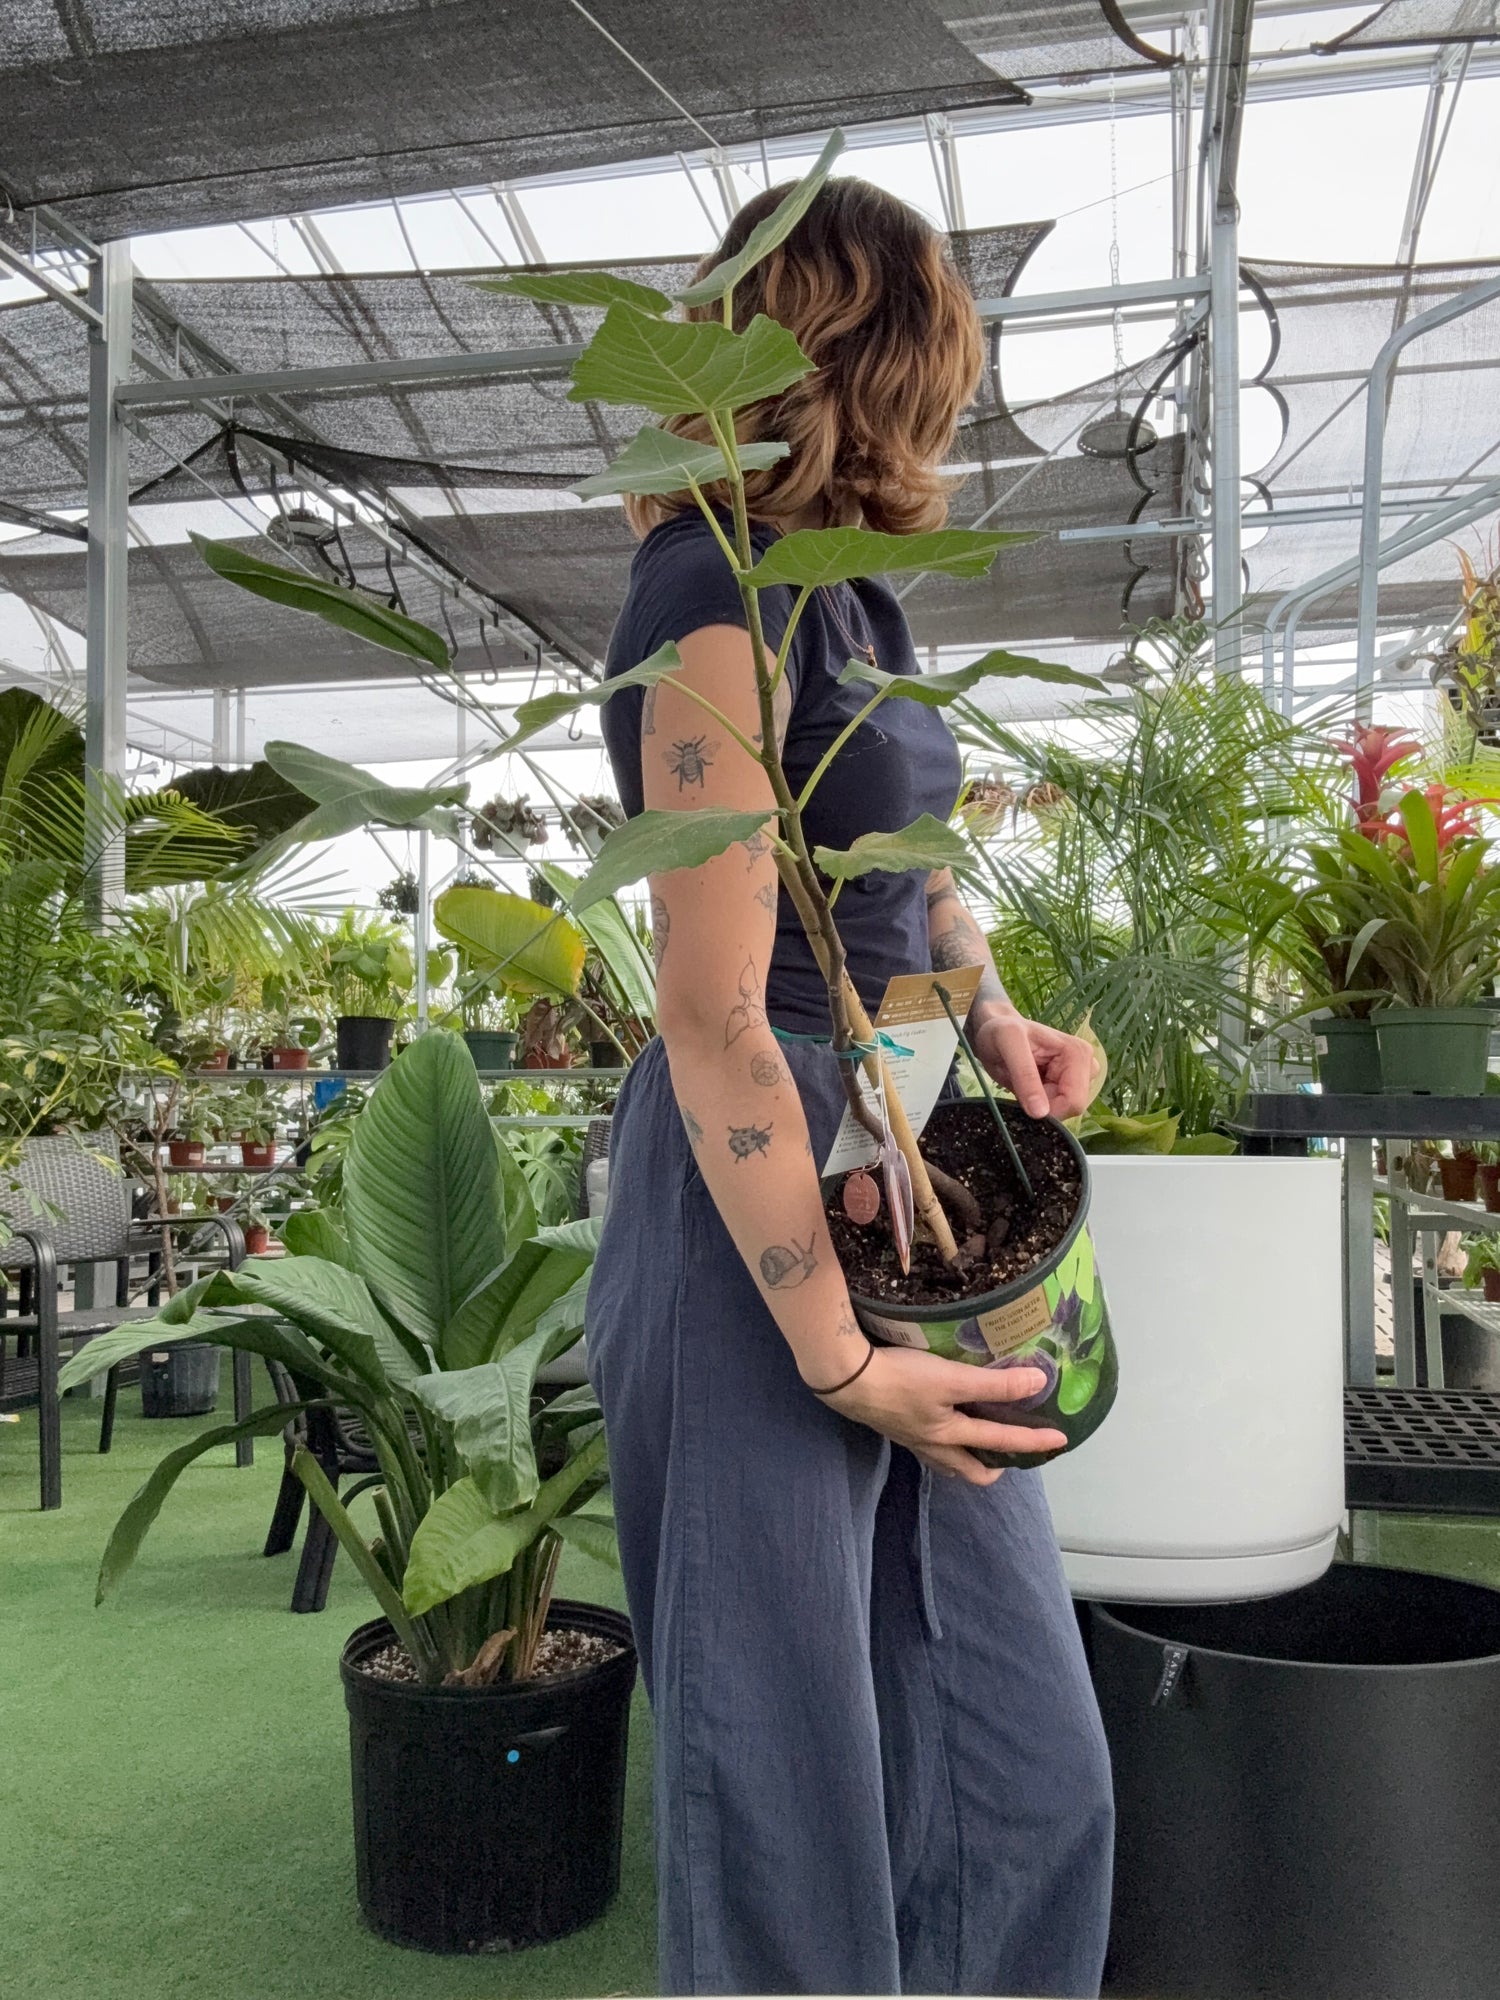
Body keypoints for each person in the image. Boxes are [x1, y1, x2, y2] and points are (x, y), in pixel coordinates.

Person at [587, 176, 1113, 1998]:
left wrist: (999, 1023)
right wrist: (832, 1357)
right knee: (785, 1792)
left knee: (1022, 1764)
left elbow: (910, 879)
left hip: (895, 1148)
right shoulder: (706, 591)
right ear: (875, 354)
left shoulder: (849, 594)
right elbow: (714, 1009)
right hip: (755, 1199)